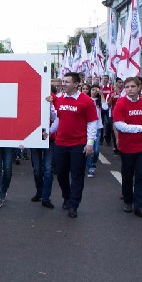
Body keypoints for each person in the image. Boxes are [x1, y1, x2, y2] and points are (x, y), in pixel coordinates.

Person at [49, 72, 98, 218]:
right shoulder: (58, 99)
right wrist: (50, 131)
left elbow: (92, 123)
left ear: (76, 84)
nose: (63, 84)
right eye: (63, 82)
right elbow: (58, 118)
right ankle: (67, 196)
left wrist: (90, 143)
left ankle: (73, 205)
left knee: (77, 176)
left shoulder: (87, 101)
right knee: (61, 174)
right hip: (61, 143)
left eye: (66, 82)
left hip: (78, 144)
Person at [112, 77, 142, 220]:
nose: (129, 89)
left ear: (139, 88)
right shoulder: (121, 103)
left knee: (141, 176)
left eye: (132, 86)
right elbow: (119, 125)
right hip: (127, 146)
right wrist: (140, 128)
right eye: (127, 87)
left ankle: (139, 205)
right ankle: (128, 200)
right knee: (128, 175)